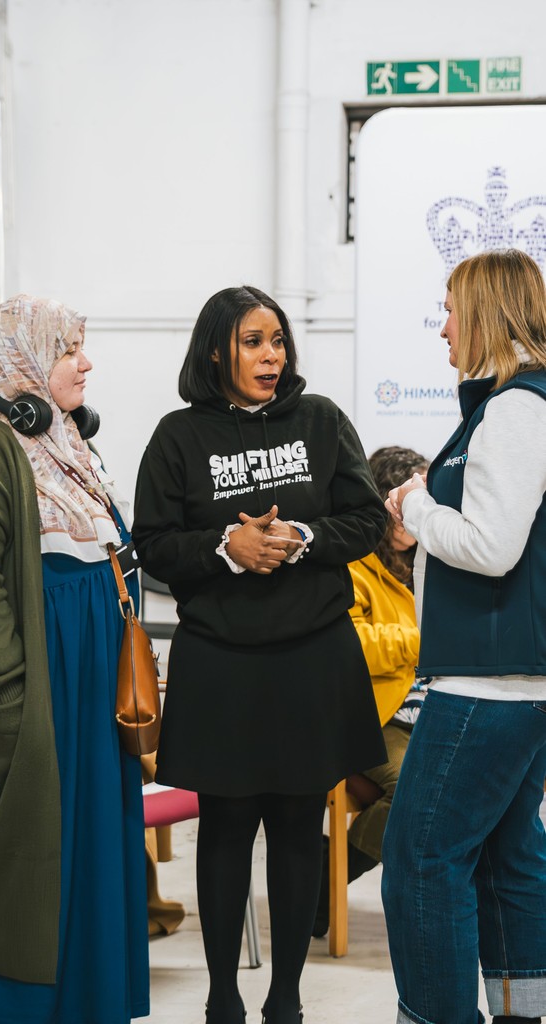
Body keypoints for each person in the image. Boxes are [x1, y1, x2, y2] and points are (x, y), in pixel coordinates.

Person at [132, 284, 388, 1024]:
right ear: (217, 351)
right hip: (222, 660)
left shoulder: (320, 420)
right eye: (252, 342)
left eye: (277, 340)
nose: (271, 355)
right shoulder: (178, 436)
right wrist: (226, 547)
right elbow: (152, 545)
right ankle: (222, 1000)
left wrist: (304, 537)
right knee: (226, 828)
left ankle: (285, 1000)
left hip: (313, 655)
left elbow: (366, 519)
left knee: (298, 827)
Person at [0, 295, 149, 1023]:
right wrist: (14, 705)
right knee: (26, 875)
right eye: (67, 351)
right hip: (33, 697)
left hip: (87, 689)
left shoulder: (66, 444)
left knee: (90, 853)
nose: (86, 364)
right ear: (21, 362)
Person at [382, 248, 546, 1024]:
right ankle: (518, 1009)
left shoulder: (514, 409)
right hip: (514, 680)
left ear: (483, 312)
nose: (441, 327)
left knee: (419, 861)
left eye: (448, 310)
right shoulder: (517, 403)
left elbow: (490, 546)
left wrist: (415, 505)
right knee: (507, 858)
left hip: (486, 684)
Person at [311, 445, 428, 939]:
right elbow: (351, 646)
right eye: (403, 500)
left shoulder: (429, 559)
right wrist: (422, 640)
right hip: (371, 715)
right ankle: (326, 883)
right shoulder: (352, 565)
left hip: (428, 711)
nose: (415, 512)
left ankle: (322, 879)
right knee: (414, 788)